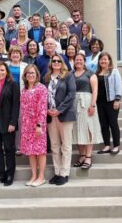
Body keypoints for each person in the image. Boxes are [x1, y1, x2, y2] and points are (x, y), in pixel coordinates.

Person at [0, 62, 20, 186]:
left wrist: (13, 122)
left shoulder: (12, 85)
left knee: (9, 148)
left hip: (7, 121)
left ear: (6, 71)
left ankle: (10, 173)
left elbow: (16, 106)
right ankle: (0, 173)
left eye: (2, 70)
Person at [45, 54, 76, 185]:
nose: (56, 62)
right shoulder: (46, 77)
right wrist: (47, 109)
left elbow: (71, 94)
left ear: (62, 62)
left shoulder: (68, 76)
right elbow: (43, 96)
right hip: (51, 116)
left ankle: (64, 173)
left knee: (66, 145)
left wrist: (59, 110)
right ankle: (57, 172)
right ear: (51, 63)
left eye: (58, 61)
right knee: (55, 145)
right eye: (54, 61)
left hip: (64, 115)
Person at [72, 53, 102, 170]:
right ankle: (82, 155)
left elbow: (95, 90)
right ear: (74, 61)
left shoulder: (90, 74)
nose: (78, 61)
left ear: (84, 61)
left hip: (87, 102)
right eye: (76, 60)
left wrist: (93, 105)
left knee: (88, 129)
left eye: (80, 60)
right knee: (78, 129)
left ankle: (88, 156)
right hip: (75, 104)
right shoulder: (71, 74)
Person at [20, 64, 48, 187]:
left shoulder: (41, 88)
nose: (30, 75)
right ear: (25, 75)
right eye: (28, 73)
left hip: (38, 124)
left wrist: (39, 125)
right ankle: (33, 176)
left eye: (33, 73)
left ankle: (41, 177)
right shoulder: (24, 90)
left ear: (37, 74)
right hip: (26, 125)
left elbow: (42, 108)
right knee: (30, 151)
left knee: (40, 151)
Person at [96, 52, 122, 155]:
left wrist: (117, 100)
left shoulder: (114, 72)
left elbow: (118, 85)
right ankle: (106, 145)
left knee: (113, 124)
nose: (103, 61)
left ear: (109, 60)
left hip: (111, 102)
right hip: (100, 103)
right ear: (99, 61)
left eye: (105, 59)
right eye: (101, 59)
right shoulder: (96, 73)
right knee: (103, 125)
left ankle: (116, 146)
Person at [5, 46, 28, 156]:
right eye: (13, 53)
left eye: (17, 53)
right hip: (7, 97)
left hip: (21, 96)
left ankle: (19, 146)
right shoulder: (5, 66)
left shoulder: (25, 66)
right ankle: (7, 145)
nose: (15, 55)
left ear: (20, 55)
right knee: (7, 121)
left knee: (19, 121)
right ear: (10, 55)